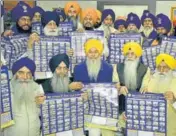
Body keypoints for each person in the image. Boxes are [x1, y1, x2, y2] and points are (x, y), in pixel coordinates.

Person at [74, 38, 114, 136]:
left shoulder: (109, 68)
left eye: (96, 52)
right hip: (85, 109)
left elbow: (111, 90)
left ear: (100, 53)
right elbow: (76, 91)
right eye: (90, 52)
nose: (93, 55)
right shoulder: (78, 68)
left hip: (104, 108)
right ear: (86, 53)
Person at [3, 57, 45, 136]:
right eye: (21, 72)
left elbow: (43, 115)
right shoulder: (4, 93)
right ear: (15, 74)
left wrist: (40, 105)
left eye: (28, 73)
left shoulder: (37, 90)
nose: (25, 77)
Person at [141, 53, 176, 136]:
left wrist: (173, 99)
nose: (161, 70)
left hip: (169, 126)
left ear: (171, 68)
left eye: (165, 67)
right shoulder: (150, 78)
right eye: (159, 67)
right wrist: (143, 92)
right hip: (151, 124)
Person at [113, 42, 150, 112]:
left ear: (137, 55)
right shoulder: (117, 67)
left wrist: (145, 89)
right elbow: (114, 82)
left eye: (132, 53)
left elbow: (145, 85)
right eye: (127, 54)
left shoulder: (145, 69)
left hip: (138, 102)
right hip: (121, 101)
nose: (129, 56)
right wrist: (119, 87)